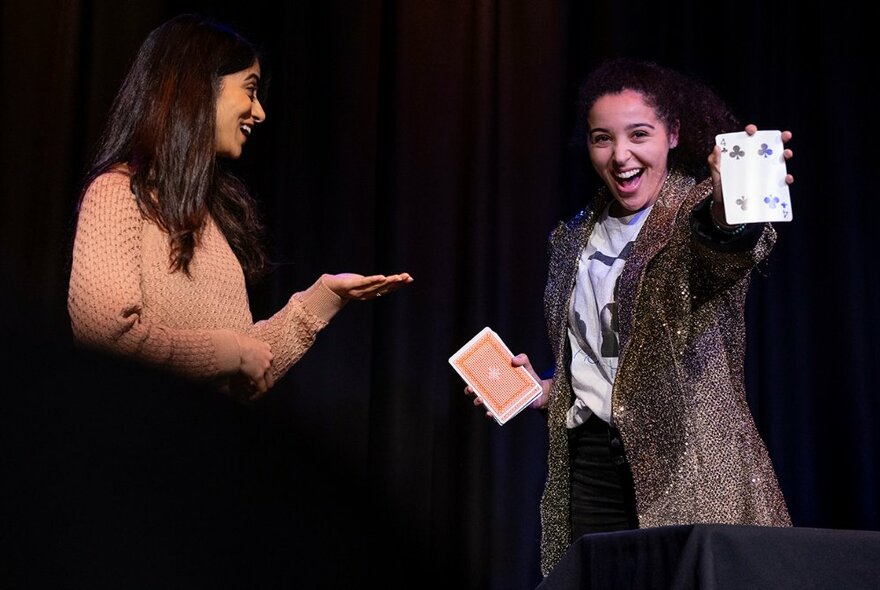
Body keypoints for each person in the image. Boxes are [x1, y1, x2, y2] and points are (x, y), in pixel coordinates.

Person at [465, 57, 793, 576]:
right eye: (602, 138)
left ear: (673, 135)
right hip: (591, 466)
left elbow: (721, 254)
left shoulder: (698, 212)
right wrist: (546, 389)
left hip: (690, 465)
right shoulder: (572, 237)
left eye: (639, 134)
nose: (621, 156)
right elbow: (606, 364)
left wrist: (731, 215)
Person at [67, 14, 412, 403]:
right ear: (198, 87)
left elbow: (247, 371)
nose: (260, 112)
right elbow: (106, 339)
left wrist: (325, 296)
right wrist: (232, 352)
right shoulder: (117, 195)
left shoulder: (210, 218)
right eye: (250, 90)